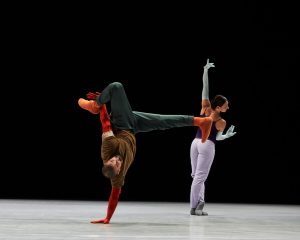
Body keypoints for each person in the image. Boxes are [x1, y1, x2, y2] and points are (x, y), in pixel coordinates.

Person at [77, 81, 214, 224]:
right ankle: (201, 122)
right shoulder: (118, 177)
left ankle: (94, 105)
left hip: (121, 123)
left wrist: (100, 105)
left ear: (107, 160)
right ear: (118, 171)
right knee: (163, 122)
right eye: (117, 163)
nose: (115, 160)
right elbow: (114, 196)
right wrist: (107, 218)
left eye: (112, 160)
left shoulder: (108, 148)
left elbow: (105, 122)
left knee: (116, 87)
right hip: (133, 126)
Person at [190, 59, 237, 216]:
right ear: (218, 107)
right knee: (199, 177)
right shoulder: (221, 121)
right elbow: (217, 138)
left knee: (196, 176)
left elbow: (205, 89)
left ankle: (199, 203)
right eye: (226, 105)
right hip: (207, 145)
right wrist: (226, 136)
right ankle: (193, 207)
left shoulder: (205, 108)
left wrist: (205, 71)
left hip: (195, 143)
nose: (228, 107)